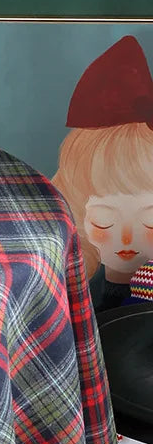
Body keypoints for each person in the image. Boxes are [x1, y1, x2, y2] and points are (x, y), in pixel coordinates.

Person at [52, 36, 153, 311]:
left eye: (149, 220)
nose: (127, 239)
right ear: (80, 214)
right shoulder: (68, 292)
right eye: (105, 220)